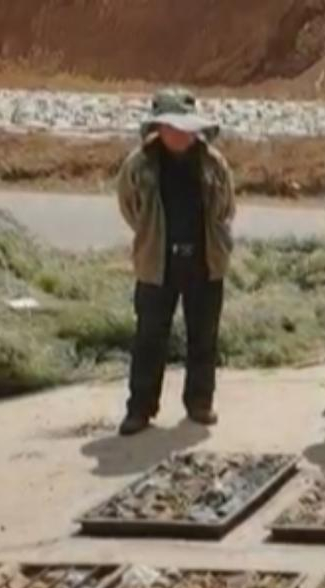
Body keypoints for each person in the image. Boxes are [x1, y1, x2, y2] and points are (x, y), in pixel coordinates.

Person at [116, 88, 236, 437]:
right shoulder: (139, 164)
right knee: (149, 339)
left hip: (204, 262)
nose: (179, 134)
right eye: (171, 126)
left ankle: (200, 402)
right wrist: (152, 237)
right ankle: (140, 409)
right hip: (157, 264)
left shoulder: (213, 162)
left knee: (203, 338)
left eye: (185, 126)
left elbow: (226, 207)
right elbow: (129, 206)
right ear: (159, 128)